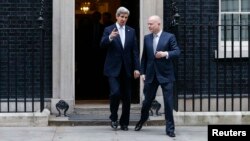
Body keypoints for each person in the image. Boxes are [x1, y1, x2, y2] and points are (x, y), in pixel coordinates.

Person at [134, 15, 180, 137]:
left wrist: (165, 54)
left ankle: (170, 129)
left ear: (158, 24)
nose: (149, 26)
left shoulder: (169, 37)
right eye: (148, 24)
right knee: (147, 101)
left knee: (169, 103)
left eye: (151, 24)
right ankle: (142, 120)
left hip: (166, 75)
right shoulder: (147, 38)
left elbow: (177, 51)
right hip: (150, 75)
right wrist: (143, 72)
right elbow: (144, 57)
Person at [100, 7, 140, 131]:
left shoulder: (131, 31)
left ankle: (124, 122)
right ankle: (113, 117)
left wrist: (137, 68)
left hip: (127, 69)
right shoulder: (108, 29)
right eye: (121, 17)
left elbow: (135, 51)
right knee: (115, 93)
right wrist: (110, 37)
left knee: (127, 97)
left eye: (125, 17)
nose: (123, 19)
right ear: (117, 17)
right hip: (113, 69)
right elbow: (102, 44)